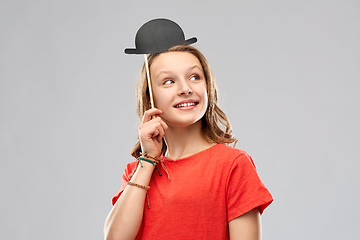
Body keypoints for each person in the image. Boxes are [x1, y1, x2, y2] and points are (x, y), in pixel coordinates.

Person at [104, 44, 273, 240]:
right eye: (168, 81)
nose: (185, 89)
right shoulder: (136, 171)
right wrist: (148, 159)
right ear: (150, 97)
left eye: (195, 77)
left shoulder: (233, 165)